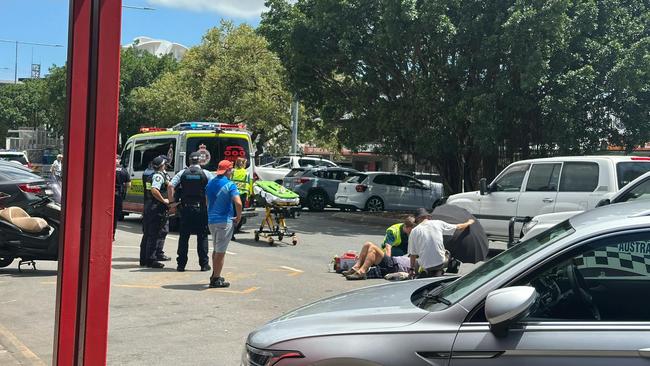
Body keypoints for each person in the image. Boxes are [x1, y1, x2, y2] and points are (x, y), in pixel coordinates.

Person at [168, 152, 214, 272]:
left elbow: (170, 186)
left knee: (184, 237)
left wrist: (172, 203)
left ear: (189, 161)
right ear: (200, 161)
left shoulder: (182, 173)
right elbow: (213, 188)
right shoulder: (206, 174)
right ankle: (204, 264)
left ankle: (181, 265)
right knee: (202, 236)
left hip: (186, 209)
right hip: (201, 209)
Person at [205, 160, 242, 288]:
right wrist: (238, 216)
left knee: (216, 249)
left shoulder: (210, 183)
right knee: (221, 251)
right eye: (231, 170)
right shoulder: (230, 185)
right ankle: (215, 278)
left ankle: (215, 274)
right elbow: (238, 203)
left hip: (212, 220)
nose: (232, 172)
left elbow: (207, 201)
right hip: (224, 220)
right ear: (227, 171)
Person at [408, 208, 474, 278]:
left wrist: (411, 270)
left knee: (417, 261)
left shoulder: (414, 231)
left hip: (425, 265)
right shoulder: (438, 223)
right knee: (447, 252)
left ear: (417, 220)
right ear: (429, 217)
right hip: (440, 263)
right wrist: (469, 222)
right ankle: (440, 270)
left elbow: (413, 254)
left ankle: (423, 272)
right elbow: (459, 227)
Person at [344, 216, 416, 280]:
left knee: (373, 248)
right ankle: (356, 267)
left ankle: (362, 272)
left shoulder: (416, 261)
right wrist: (387, 260)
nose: (412, 232)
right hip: (391, 258)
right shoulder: (394, 231)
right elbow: (388, 248)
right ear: (406, 226)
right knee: (367, 244)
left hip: (395, 264)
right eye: (411, 230)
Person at [142, 156, 171, 268]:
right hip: (156, 208)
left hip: (150, 206)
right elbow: (154, 190)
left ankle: (146, 259)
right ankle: (151, 259)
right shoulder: (158, 176)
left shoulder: (151, 174)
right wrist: (164, 200)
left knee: (150, 234)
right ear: (162, 165)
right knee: (154, 234)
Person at [114, 154, 131, 240]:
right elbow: (128, 184)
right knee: (115, 216)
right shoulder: (124, 171)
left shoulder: (109, 168)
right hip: (118, 195)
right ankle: (112, 234)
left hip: (109, 196)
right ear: (119, 160)